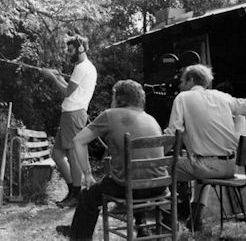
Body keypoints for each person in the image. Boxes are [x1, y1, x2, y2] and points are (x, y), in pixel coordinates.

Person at [56, 80, 168, 240]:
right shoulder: (151, 119)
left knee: (87, 196)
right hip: (159, 186)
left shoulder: (110, 114)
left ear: (118, 98)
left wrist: (87, 174)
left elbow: (78, 141)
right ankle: (142, 228)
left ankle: (79, 237)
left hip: (128, 187)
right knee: (136, 174)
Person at [164, 64, 246, 231]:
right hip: (230, 166)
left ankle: (164, 220)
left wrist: (153, 152)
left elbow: (174, 133)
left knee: (161, 168)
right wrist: (234, 115)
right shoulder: (223, 96)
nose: (179, 84)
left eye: (182, 80)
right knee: (199, 165)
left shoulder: (183, 98)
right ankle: (195, 219)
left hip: (206, 167)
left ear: (191, 80)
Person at [41, 34, 97, 208]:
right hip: (70, 114)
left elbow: (67, 92)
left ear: (81, 48)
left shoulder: (82, 68)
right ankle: (74, 190)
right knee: (57, 154)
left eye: (70, 49)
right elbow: (70, 88)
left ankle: (76, 194)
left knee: (73, 155)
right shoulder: (84, 67)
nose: (68, 53)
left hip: (73, 115)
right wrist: (58, 76)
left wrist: (52, 78)